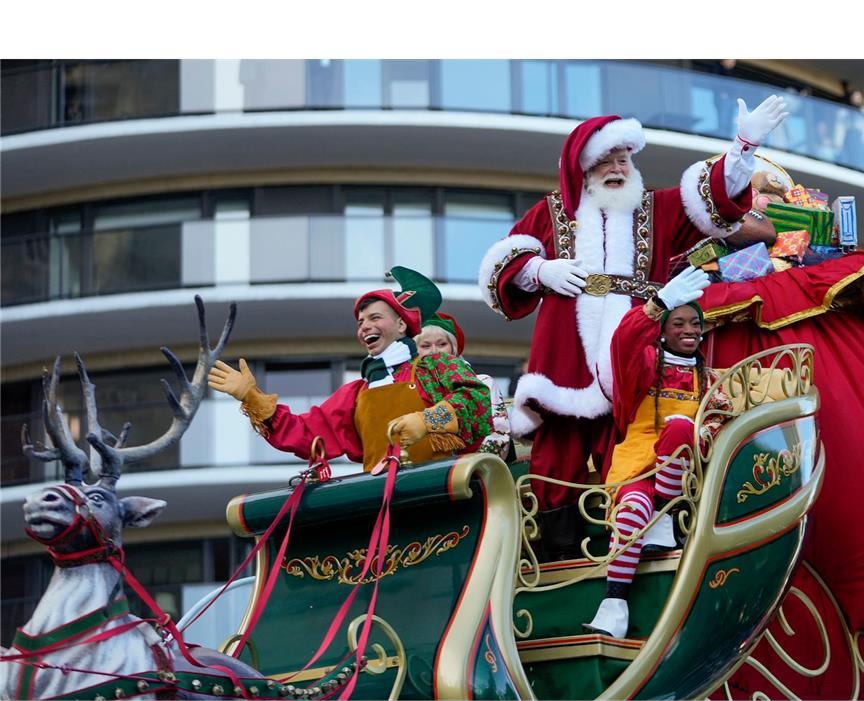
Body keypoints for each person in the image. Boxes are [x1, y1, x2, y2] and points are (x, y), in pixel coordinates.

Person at [479, 97, 788, 559]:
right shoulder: (551, 213)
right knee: (557, 454)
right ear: (584, 168)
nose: (617, 168)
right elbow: (503, 264)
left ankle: (638, 543)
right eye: (606, 160)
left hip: (636, 348)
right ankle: (552, 558)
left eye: (624, 159)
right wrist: (542, 271)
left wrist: (742, 147)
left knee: (635, 439)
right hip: (566, 352)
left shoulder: (658, 208)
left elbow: (714, 200)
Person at [208, 267, 492, 470]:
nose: (365, 326)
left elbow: (477, 401)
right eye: (360, 322)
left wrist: (427, 422)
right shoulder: (356, 393)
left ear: (401, 325)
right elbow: (307, 434)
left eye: (375, 317)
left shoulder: (434, 365)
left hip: (445, 493)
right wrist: (252, 398)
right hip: (383, 504)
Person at [583, 267, 733, 638]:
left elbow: (721, 422)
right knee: (633, 508)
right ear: (663, 331)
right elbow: (624, 344)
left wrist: (707, 430)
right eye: (678, 322)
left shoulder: (711, 379)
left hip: (684, 479)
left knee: (681, 427)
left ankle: (664, 517)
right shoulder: (646, 366)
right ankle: (613, 605)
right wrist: (658, 304)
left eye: (695, 323)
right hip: (636, 467)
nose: (689, 330)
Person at [415, 312, 513, 461]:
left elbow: (497, 434)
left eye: (442, 344)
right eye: (425, 346)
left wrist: (475, 469)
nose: (434, 350)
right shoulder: (410, 387)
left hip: (476, 469)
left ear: (453, 348)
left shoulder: (480, 382)